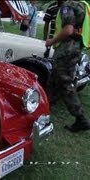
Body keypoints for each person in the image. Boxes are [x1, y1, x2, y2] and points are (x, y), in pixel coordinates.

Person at [45, 0, 90, 132]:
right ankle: (44, 109)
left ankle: (81, 118)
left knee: (65, 83)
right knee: (53, 80)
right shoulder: (82, 5)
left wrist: (51, 41)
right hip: (75, 48)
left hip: (66, 50)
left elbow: (68, 30)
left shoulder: (67, 6)